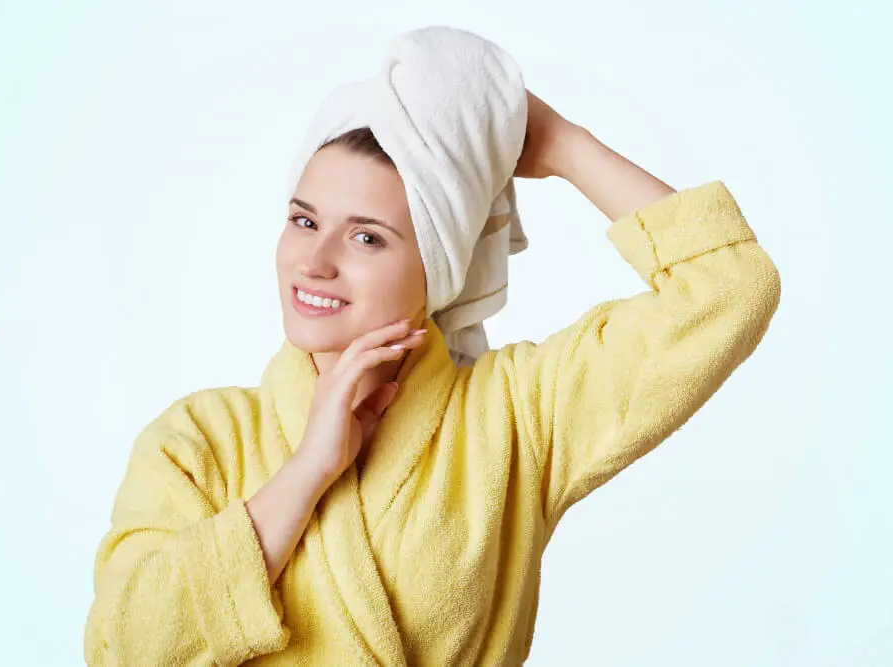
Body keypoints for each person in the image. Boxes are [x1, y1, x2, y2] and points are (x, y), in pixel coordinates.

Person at [83, 89, 781, 665]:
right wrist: (306, 470)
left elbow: (729, 287)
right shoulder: (196, 440)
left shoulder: (515, 418)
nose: (315, 261)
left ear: (439, 265)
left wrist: (566, 146)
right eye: (303, 220)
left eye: (366, 237)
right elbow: (121, 648)